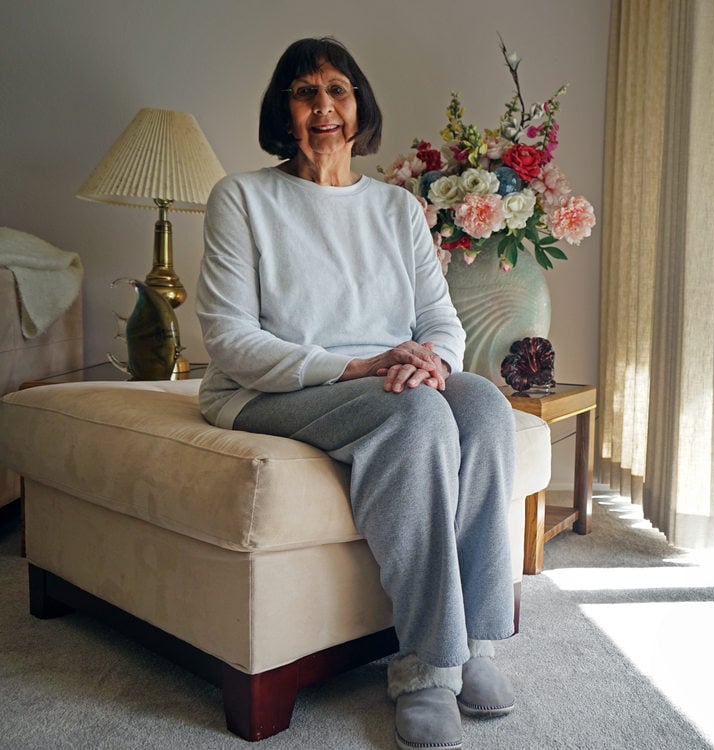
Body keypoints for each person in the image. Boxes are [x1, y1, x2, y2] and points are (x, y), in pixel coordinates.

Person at [196, 37, 517, 750]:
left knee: (485, 407)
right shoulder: (243, 197)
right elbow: (229, 340)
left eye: (337, 90)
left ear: (358, 104)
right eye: (305, 92)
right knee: (415, 417)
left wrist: (430, 364)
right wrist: (358, 368)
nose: (323, 107)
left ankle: (478, 645)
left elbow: (438, 319)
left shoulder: (397, 209)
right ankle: (428, 668)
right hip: (275, 384)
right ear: (285, 110)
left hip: (387, 373)